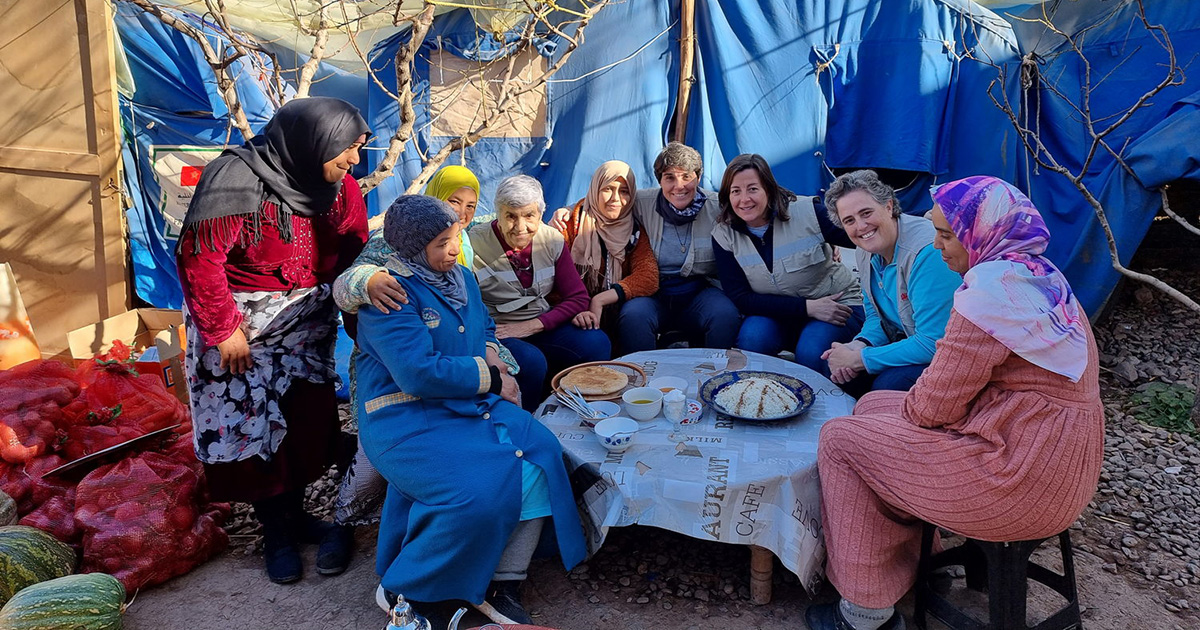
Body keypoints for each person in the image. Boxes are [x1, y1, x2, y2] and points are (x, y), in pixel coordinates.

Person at [807, 176, 1103, 630]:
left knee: (841, 439)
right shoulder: (1033, 273)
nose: (940, 245)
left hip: (1018, 478)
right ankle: (925, 564)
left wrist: (884, 399)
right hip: (1055, 461)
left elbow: (931, 407)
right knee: (872, 408)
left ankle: (864, 613)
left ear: (982, 232)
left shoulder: (988, 292)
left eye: (948, 234)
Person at [355, 195, 586, 628]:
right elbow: (416, 374)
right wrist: (491, 377)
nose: (454, 249)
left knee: (541, 453)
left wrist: (501, 365)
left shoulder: (461, 277)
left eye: (456, 237)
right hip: (406, 417)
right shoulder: (390, 294)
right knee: (478, 490)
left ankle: (504, 577)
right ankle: (408, 586)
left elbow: (483, 333)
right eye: (442, 243)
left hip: (467, 403)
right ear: (412, 248)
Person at [175, 97, 369, 584]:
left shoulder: (340, 188)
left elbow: (352, 252)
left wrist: (356, 321)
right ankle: (275, 533)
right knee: (254, 431)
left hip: (306, 325)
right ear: (312, 142)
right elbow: (200, 260)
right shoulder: (235, 178)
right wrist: (223, 331)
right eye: (345, 148)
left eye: (359, 148)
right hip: (241, 329)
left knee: (306, 421)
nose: (354, 161)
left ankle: (299, 515)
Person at [331, 164, 521, 528]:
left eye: (471, 205)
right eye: (455, 202)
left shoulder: (457, 245)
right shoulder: (396, 247)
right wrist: (368, 279)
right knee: (375, 461)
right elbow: (345, 285)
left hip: (456, 369)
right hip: (395, 371)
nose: (464, 214)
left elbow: (479, 320)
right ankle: (344, 520)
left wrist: (495, 357)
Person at [710, 154, 863, 373]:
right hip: (784, 312)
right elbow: (741, 298)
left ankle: (826, 403)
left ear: (769, 189)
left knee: (812, 351)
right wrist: (806, 308)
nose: (744, 199)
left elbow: (863, 237)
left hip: (832, 305)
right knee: (752, 340)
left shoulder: (808, 213)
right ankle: (761, 399)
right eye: (736, 191)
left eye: (753, 189)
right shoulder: (724, 235)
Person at [469, 175, 611, 409]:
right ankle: (528, 421)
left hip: (540, 323)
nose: (520, 227)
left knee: (596, 342)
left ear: (541, 214)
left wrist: (533, 325)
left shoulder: (552, 239)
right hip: (498, 331)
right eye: (510, 216)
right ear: (498, 213)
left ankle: (585, 409)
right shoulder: (473, 242)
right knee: (530, 361)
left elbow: (577, 297)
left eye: (529, 216)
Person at [819, 170, 962, 394]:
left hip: (950, 355)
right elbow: (876, 315)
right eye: (849, 220)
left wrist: (860, 358)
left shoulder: (927, 253)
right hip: (907, 340)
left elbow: (933, 342)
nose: (861, 226)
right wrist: (859, 345)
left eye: (866, 213)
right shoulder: (864, 250)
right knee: (838, 371)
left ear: (888, 206)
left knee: (887, 385)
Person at [616, 142, 741, 354]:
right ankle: (642, 380)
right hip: (654, 294)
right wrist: (566, 210)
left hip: (699, 293)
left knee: (724, 314)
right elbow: (603, 203)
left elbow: (757, 210)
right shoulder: (643, 202)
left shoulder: (717, 207)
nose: (679, 185)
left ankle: (714, 376)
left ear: (698, 177)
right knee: (633, 316)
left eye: (686, 176)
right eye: (670, 177)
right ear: (660, 181)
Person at [555, 161, 659, 337]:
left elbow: (648, 277)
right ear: (595, 189)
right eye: (607, 189)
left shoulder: (633, 230)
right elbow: (554, 278)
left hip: (615, 314)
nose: (615, 199)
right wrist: (578, 309)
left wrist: (600, 300)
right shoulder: (571, 224)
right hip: (573, 313)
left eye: (624, 191)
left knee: (636, 316)